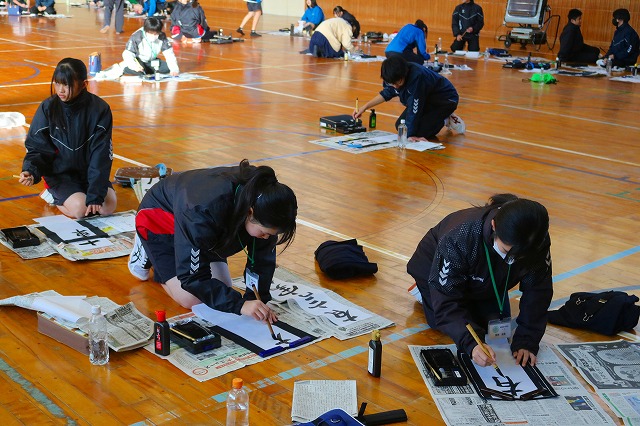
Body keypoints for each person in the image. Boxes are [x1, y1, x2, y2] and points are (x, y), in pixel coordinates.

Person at [127, 160, 298, 321]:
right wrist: (240, 305)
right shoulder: (202, 212)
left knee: (223, 287)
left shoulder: (264, 202)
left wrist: (257, 299)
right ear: (250, 212)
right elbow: (192, 278)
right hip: (160, 218)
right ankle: (146, 248)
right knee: (191, 298)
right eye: (264, 233)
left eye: (271, 234)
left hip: (203, 226)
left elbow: (262, 260)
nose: (266, 238)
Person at [407, 194, 552, 367]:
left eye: (519, 257)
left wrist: (527, 341)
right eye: (507, 252)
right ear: (494, 226)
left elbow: (539, 291)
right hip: (435, 271)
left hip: (486, 278)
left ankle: (478, 297)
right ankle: (425, 291)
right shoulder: (460, 236)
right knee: (447, 323)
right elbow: (446, 301)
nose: (512, 261)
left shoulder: (536, 240)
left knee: (490, 327)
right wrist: (471, 344)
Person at [19, 58, 117, 219]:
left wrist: (95, 194)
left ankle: (80, 196)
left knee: (107, 208)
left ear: (84, 84)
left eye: (67, 84)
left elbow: (101, 153)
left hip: (88, 172)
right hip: (60, 175)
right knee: (81, 210)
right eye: (57, 83)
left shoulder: (100, 109)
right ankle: (51, 194)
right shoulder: (48, 108)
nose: (61, 90)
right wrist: (31, 170)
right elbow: (37, 147)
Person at [353, 56, 464, 140]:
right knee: (400, 127)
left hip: (444, 100)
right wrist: (364, 107)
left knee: (419, 132)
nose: (395, 86)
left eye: (398, 82)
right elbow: (386, 93)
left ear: (404, 74)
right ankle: (438, 117)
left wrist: (410, 136)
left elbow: (414, 110)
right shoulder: (391, 77)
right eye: (392, 83)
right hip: (426, 99)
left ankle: (446, 118)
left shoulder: (417, 77)